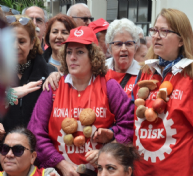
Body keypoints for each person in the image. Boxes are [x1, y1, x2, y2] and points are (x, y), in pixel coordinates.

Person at [28, 26, 134, 176]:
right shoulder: (54, 87)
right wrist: (61, 164)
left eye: (80, 52)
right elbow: (36, 132)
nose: (72, 57)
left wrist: (107, 149)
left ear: (93, 56)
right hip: (60, 172)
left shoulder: (109, 86)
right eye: (69, 52)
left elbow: (129, 125)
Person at [132, 8, 193, 176]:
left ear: (181, 40)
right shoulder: (145, 71)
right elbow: (131, 116)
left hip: (181, 169)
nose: (156, 36)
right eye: (154, 30)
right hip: (142, 170)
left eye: (164, 31)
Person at [1, 15, 55, 133]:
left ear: (32, 42)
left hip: (38, 146)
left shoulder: (51, 74)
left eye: (21, 41)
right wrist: (10, 95)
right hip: (5, 147)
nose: (15, 46)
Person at [104, 18, 140, 98]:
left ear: (136, 47)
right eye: (118, 44)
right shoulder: (101, 71)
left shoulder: (143, 74)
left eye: (129, 44)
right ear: (109, 48)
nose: (124, 48)